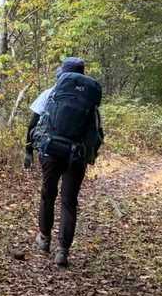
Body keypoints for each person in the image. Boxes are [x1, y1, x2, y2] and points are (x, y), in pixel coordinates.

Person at [24, 57, 104, 268]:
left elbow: (32, 124)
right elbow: (96, 132)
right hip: (76, 156)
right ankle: (63, 251)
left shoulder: (51, 93)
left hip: (51, 151)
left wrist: (28, 151)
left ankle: (44, 239)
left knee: (48, 194)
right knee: (69, 201)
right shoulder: (89, 99)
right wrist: (90, 155)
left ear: (62, 73)